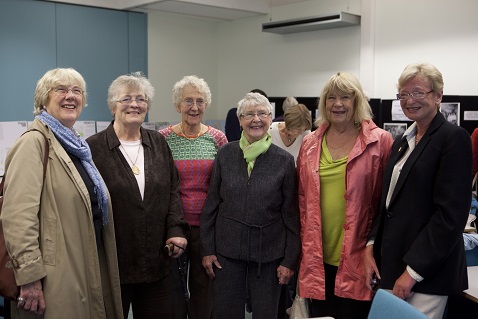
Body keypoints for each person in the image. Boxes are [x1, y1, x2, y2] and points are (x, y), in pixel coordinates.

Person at [1, 68, 123, 318]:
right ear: (43, 99)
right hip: (52, 277)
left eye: (77, 91)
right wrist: (29, 278)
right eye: (61, 90)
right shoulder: (33, 143)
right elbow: (17, 218)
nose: (71, 96)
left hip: (84, 267)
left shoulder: (76, 147)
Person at [365, 63, 472, 319]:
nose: (409, 101)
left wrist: (411, 273)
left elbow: (449, 217)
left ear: (438, 96)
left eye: (418, 93)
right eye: (403, 94)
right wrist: (370, 247)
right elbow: (387, 202)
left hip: (426, 274)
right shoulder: (404, 141)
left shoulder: (453, 138)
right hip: (392, 264)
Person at [86, 72, 189, 319]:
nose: (134, 104)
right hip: (113, 263)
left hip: (157, 261)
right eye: (127, 99)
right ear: (113, 106)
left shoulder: (158, 144)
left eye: (141, 99)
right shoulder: (93, 148)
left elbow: (173, 190)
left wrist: (175, 230)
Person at [297, 72, 393, 319]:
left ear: (357, 101)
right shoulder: (309, 143)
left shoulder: (379, 141)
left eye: (345, 97)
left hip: (358, 256)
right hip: (317, 256)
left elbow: (387, 204)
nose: (337, 104)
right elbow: (300, 200)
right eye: (331, 98)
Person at [201, 92, 301, 319]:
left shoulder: (284, 161)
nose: (256, 119)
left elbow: (291, 214)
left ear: (271, 118)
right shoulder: (225, 154)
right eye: (249, 115)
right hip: (226, 253)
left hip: (268, 255)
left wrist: (289, 260)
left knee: (266, 314)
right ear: (240, 120)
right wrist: (207, 249)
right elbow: (212, 204)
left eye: (262, 114)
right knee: (225, 313)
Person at [159, 75, 227, 319]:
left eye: (200, 101)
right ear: (178, 105)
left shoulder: (217, 138)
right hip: (173, 225)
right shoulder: (163, 138)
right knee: (172, 289)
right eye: (188, 101)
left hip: (207, 227)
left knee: (203, 289)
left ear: (206, 105)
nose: (194, 107)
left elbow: (223, 185)